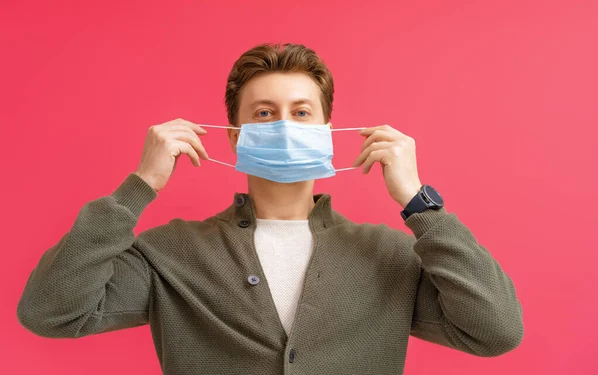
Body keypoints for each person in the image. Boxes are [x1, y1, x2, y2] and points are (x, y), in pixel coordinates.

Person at [17, 43, 524, 375]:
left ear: (327, 132)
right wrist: (139, 186)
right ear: (236, 136)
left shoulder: (388, 255)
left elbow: (496, 331)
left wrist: (420, 204)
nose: (284, 124)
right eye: (265, 114)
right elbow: (50, 314)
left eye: (302, 113)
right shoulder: (169, 253)